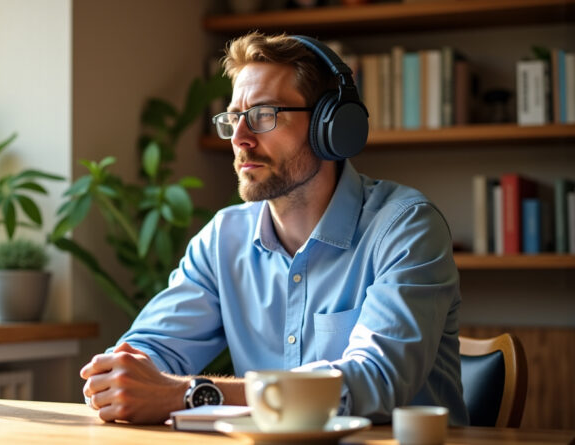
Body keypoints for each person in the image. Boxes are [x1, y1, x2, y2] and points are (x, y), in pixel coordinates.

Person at [80, 31, 468, 426]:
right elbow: (148, 349)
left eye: (263, 115)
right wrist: (126, 375)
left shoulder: (406, 228)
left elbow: (376, 380)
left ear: (329, 126)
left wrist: (190, 394)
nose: (240, 139)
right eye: (233, 119)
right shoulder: (222, 240)